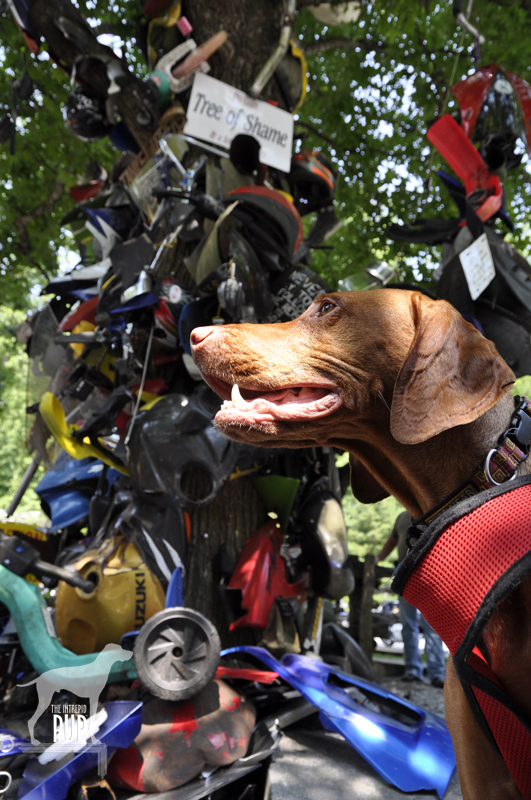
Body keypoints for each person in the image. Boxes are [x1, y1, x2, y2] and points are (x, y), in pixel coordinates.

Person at [376, 510, 446, 688]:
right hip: (404, 574)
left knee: (432, 626)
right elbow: (392, 541)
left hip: (430, 573)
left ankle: (437, 673)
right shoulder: (401, 517)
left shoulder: (432, 509)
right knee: (408, 625)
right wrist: (376, 559)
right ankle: (412, 670)